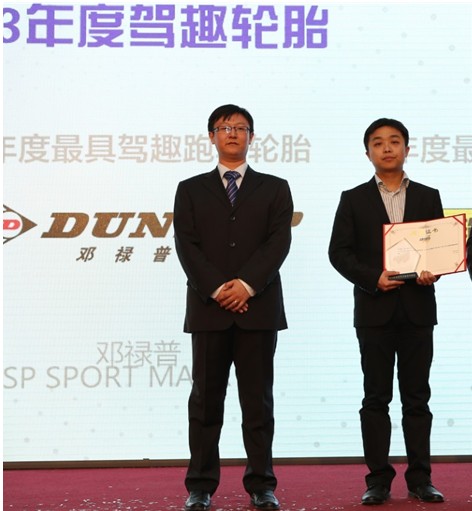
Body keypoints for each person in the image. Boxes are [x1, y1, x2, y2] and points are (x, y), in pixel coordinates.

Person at [173, 104, 293, 511]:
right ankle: (200, 485)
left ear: (251, 137)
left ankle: (262, 484)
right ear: (211, 136)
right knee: (205, 403)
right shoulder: (190, 189)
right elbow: (186, 245)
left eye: (240, 128)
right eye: (224, 128)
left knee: (258, 404)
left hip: (258, 310)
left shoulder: (275, 188)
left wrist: (246, 286)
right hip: (209, 311)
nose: (232, 133)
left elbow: (278, 243)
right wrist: (217, 288)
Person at [328, 118, 445, 505]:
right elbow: (338, 253)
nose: (387, 148)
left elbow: (439, 249)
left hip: (417, 310)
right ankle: (377, 480)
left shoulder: (428, 196)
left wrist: (433, 270)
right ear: (368, 153)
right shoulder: (353, 198)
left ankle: (421, 479)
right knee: (375, 399)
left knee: (417, 399)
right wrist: (372, 278)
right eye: (378, 143)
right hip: (374, 310)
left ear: (407, 149)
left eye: (395, 141)